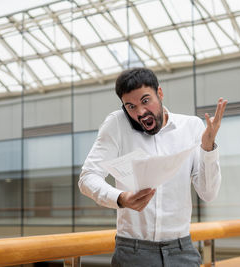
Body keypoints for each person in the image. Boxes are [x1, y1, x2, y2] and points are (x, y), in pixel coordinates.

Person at [79, 67, 227, 266]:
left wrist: (208, 148)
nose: (140, 112)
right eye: (130, 106)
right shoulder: (116, 124)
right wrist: (121, 198)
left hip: (182, 251)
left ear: (160, 93)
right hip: (133, 252)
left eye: (145, 101)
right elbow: (88, 177)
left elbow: (208, 194)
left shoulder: (191, 127)